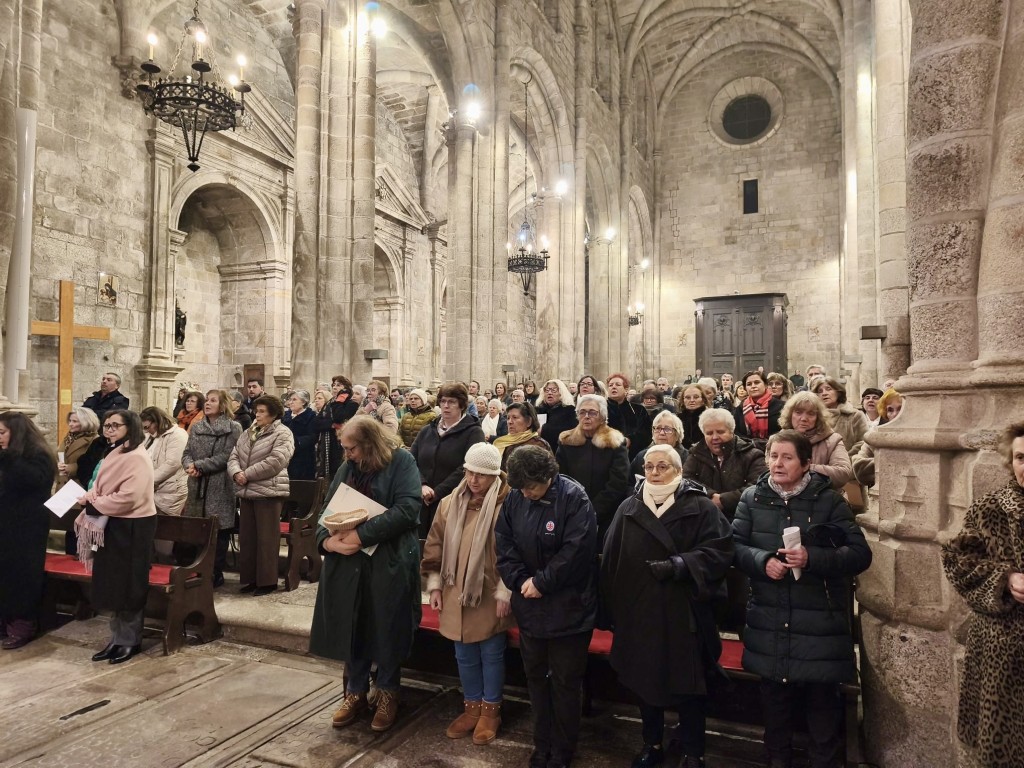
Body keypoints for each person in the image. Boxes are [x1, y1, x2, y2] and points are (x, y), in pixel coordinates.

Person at [732, 430, 872, 768]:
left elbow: (859, 554)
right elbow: (733, 547)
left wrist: (812, 558)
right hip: (769, 618)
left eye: (787, 457)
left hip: (819, 623)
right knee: (775, 707)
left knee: (821, 706)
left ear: (807, 463)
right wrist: (763, 561)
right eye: (773, 456)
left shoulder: (829, 500)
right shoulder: (752, 497)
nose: (777, 463)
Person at [601, 444, 733, 768]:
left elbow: (720, 550)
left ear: (678, 470)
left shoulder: (701, 506)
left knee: (689, 686)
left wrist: (681, 565)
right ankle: (652, 744)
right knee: (644, 682)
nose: (655, 472)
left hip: (683, 611)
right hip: (640, 611)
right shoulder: (629, 507)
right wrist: (614, 609)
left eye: (663, 466)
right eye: (649, 466)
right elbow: (611, 558)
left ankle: (693, 752)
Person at [309, 416, 422, 733]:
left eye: (352, 449)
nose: (347, 455)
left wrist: (361, 535)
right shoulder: (349, 467)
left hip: (389, 560)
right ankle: (355, 693)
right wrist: (327, 541)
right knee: (353, 624)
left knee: (386, 626)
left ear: (370, 444)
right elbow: (327, 509)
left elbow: (408, 509)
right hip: (349, 563)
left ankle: (387, 693)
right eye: (345, 448)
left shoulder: (401, 462)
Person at [495, 446, 598, 768]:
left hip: (570, 608)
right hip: (529, 605)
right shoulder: (516, 498)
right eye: (521, 488)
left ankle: (563, 750)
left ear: (548, 477)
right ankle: (541, 744)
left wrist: (542, 582)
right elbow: (504, 542)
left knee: (566, 682)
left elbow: (577, 551)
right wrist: (519, 579)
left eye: (531, 487)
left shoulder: (574, 498)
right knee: (536, 678)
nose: (526, 493)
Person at [941, 420, 1024, 768]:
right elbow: (957, 561)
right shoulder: (990, 508)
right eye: (1020, 457)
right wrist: (1004, 579)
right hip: (1002, 653)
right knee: (1004, 748)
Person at [422, 443, 514, 745]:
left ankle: (491, 711)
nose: (473, 480)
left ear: (495, 475)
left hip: (489, 592)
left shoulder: (508, 504)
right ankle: (472, 708)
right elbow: (435, 543)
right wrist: (434, 584)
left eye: (481, 475)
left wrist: (506, 590)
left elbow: (518, 550)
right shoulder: (450, 502)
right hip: (455, 590)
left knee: (491, 652)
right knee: (463, 653)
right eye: (469, 472)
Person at [76, 410, 156, 665]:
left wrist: (95, 504)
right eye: (106, 425)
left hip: (133, 526)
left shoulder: (138, 457)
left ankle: (130, 640)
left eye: (114, 425)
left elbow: (129, 497)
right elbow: (99, 485)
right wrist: (91, 496)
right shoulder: (115, 452)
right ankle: (116, 639)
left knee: (129, 585)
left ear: (130, 427)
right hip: (113, 524)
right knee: (113, 583)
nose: (108, 430)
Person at [0, 413, 58, 649]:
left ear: (17, 432)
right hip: (5, 523)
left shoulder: (38, 455)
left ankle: (23, 624)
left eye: (2, 433)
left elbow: (35, 482)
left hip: (27, 526)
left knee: (21, 575)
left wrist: (9, 458)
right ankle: (5, 620)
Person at [228, 394, 295, 596]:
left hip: (269, 491)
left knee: (266, 539)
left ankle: (267, 581)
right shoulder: (249, 432)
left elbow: (276, 461)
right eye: (256, 411)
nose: (257, 415)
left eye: (262, 411)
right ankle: (251, 579)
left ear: (274, 414)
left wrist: (246, 474)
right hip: (247, 491)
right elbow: (234, 455)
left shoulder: (283, 433)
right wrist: (236, 473)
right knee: (248, 538)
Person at [183, 389, 243, 587]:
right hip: (197, 483)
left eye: (213, 400)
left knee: (219, 528)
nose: (207, 403)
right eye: (207, 400)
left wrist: (200, 465)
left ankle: (215, 572)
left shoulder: (233, 427)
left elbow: (228, 456)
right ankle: (196, 570)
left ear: (222, 405)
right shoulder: (197, 426)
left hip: (220, 483)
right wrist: (189, 466)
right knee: (197, 528)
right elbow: (186, 452)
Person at [410, 382, 486, 538]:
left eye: (452, 402)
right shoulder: (427, 430)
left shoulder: (473, 432)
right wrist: (421, 484)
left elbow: (467, 467)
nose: (446, 406)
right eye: (443, 401)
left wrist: (438, 492)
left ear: (462, 405)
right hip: (422, 499)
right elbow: (411, 460)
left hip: (453, 500)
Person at [556, 393, 630, 541]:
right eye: (582, 412)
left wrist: (594, 511)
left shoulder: (614, 442)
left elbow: (618, 482)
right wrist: (575, 508)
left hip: (607, 513)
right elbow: (560, 478)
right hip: (572, 511)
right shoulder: (567, 441)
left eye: (592, 412)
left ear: (602, 417)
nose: (586, 417)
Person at [778, 392, 854, 489]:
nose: (804, 418)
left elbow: (842, 474)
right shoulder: (779, 439)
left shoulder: (833, 440)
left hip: (822, 496)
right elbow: (769, 470)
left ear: (818, 417)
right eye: (798, 412)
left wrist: (804, 467)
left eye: (811, 414)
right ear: (790, 414)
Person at [140, 407, 188, 559]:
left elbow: (173, 463)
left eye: (148, 426)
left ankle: (165, 563)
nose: (146, 430)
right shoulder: (151, 436)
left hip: (170, 490)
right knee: (151, 532)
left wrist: (148, 480)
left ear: (157, 421)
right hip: (151, 490)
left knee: (165, 531)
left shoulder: (178, 434)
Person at [55, 407, 101, 554]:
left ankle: (79, 556)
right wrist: (58, 465)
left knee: (78, 526)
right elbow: (59, 455)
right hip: (64, 484)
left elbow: (91, 464)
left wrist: (70, 468)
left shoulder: (94, 440)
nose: (71, 424)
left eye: (75, 421)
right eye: (70, 421)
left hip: (79, 485)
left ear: (86, 422)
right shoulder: (68, 437)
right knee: (67, 525)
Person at [851, 388, 903, 488]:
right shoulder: (875, 436)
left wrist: (878, 463)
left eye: (900, 409)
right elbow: (859, 469)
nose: (895, 414)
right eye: (890, 410)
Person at [312, 375, 359, 479]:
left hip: (342, 443)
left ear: (346, 388)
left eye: (338, 385)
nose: (334, 387)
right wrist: (332, 425)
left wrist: (340, 401)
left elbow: (339, 417)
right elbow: (317, 423)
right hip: (328, 443)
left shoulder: (352, 403)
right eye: (333, 385)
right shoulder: (329, 403)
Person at [812, 376, 871, 454]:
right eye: (820, 391)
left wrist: (844, 458)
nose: (824, 393)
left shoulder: (855, 415)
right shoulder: (813, 417)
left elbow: (863, 442)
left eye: (828, 389)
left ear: (838, 392)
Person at [606, 372, 653, 460]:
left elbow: (646, 433)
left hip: (634, 456)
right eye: (610, 385)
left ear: (626, 389)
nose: (613, 387)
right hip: (607, 456)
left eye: (618, 384)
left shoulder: (638, 410)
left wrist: (630, 440)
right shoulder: (601, 409)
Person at [630, 410, 689, 477]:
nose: (662, 433)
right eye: (658, 428)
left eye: (667, 429)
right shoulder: (641, 457)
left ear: (677, 435)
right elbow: (630, 482)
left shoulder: (688, 459)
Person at [494, 401, 550, 471]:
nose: (509, 422)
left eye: (515, 417)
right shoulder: (503, 442)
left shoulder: (538, 445)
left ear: (529, 421)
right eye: (508, 418)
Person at [733, 370, 783, 446]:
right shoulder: (740, 409)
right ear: (745, 388)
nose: (753, 386)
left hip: (775, 447)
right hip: (747, 449)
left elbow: (785, 430)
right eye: (749, 384)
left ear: (765, 385)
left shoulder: (781, 406)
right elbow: (736, 432)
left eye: (757, 382)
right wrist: (751, 443)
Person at [537, 379, 578, 453]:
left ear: (561, 393)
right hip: (540, 450)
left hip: (560, 450)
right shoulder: (538, 410)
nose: (549, 393)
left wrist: (543, 430)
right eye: (547, 390)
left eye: (554, 390)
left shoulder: (569, 410)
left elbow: (571, 431)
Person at [284, 389, 317, 480]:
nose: (291, 402)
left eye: (294, 400)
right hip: (285, 456)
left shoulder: (310, 416)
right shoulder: (285, 416)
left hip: (303, 458)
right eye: (290, 399)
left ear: (303, 402)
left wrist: (295, 442)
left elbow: (312, 437)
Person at [677, 384, 710, 449]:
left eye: (696, 397)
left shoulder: (710, 418)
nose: (692, 400)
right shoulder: (677, 419)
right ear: (683, 400)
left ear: (703, 399)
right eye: (688, 397)